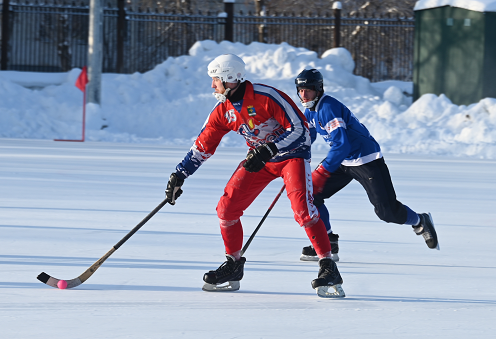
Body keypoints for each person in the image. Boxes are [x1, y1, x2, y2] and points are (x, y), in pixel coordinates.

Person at [164, 54, 344, 297]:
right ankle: (233, 265)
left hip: (292, 156)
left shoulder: (266, 96)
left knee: (303, 209)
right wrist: (180, 174)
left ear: (229, 78)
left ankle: (327, 266)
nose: (212, 85)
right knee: (226, 209)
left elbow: (302, 130)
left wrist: (271, 147)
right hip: (261, 160)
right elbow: (203, 145)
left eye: (215, 80)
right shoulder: (223, 110)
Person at [292, 68, 438, 261]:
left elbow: (342, 145)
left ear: (318, 89)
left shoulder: (328, 108)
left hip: (365, 159)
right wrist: (294, 150)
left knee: (386, 212)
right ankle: (327, 241)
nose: (304, 95)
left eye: (308, 90)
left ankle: (420, 221)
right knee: (312, 196)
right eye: (300, 90)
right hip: (342, 160)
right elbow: (309, 135)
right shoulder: (310, 111)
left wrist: (323, 169)